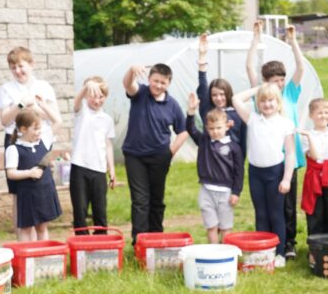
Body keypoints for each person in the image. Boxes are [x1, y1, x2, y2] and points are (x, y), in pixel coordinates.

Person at [246, 22, 305, 261]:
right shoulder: (262, 99)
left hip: (288, 159)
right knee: (267, 207)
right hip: (264, 160)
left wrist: (293, 42)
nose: (278, 84)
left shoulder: (290, 93)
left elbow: (300, 66)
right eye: (273, 80)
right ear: (264, 82)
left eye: (281, 79)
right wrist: (255, 38)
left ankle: (288, 243)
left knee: (287, 205)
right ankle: (267, 244)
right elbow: (249, 66)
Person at [122, 63, 189, 244]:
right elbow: (128, 85)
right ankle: (140, 241)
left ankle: (156, 238)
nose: (158, 85)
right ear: (149, 79)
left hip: (160, 157)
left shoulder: (172, 105)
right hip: (135, 155)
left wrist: (170, 151)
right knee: (140, 200)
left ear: (168, 83)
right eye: (155, 81)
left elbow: (183, 131)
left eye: (163, 83)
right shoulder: (140, 93)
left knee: (156, 199)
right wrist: (131, 71)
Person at [0, 47, 62, 232]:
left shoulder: (44, 87)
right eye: (13, 67)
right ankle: (24, 239)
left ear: (31, 65)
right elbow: (4, 120)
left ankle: (41, 236)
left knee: (40, 188)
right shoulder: (6, 89)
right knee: (20, 193)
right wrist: (21, 104)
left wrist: (35, 108)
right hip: (16, 142)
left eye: (21, 66)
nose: (18, 71)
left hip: (41, 141)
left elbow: (54, 117)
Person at [232, 83, 296, 267]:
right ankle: (264, 251)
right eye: (262, 101)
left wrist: (286, 178)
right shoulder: (252, 119)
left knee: (276, 214)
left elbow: (290, 153)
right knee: (260, 213)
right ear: (257, 103)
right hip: (255, 172)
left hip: (275, 172)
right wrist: (259, 88)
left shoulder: (285, 123)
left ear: (278, 102)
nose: (267, 104)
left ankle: (280, 253)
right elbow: (235, 99)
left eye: (271, 100)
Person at [185, 94, 244, 243]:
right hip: (206, 191)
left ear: (227, 126)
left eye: (219, 128)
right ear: (207, 128)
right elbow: (191, 129)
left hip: (225, 194)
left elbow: (239, 172)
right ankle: (214, 254)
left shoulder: (234, 147)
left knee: (225, 228)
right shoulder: (204, 141)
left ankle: (226, 256)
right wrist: (191, 112)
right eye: (211, 128)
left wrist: (236, 192)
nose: (215, 131)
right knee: (211, 226)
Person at [5, 111, 62, 241]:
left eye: (39, 129)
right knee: (26, 228)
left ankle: (43, 259)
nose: (38, 132)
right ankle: (27, 260)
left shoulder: (44, 141)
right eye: (35, 129)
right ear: (23, 129)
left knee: (42, 228)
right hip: (28, 195)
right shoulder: (13, 149)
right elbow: (11, 173)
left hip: (44, 192)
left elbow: (58, 121)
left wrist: (41, 106)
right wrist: (29, 173)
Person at [69, 76, 116, 233]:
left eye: (101, 97)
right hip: (80, 167)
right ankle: (82, 245)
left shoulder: (107, 119)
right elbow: (76, 101)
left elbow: (108, 145)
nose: (97, 101)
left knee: (100, 208)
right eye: (93, 96)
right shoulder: (81, 112)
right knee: (80, 209)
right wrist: (86, 87)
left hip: (99, 169)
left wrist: (112, 169)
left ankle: (101, 242)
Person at [299, 98, 328, 236]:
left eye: (326, 112)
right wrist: (309, 136)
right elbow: (314, 156)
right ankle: (315, 250)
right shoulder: (307, 135)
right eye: (319, 113)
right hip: (314, 178)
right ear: (311, 116)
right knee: (315, 212)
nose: (323, 116)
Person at [196, 32, 246, 149]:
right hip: (210, 161)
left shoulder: (238, 112)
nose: (218, 98)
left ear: (228, 94)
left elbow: (242, 141)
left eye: (222, 94)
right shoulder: (207, 110)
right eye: (214, 95)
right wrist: (202, 55)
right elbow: (203, 84)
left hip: (231, 161)